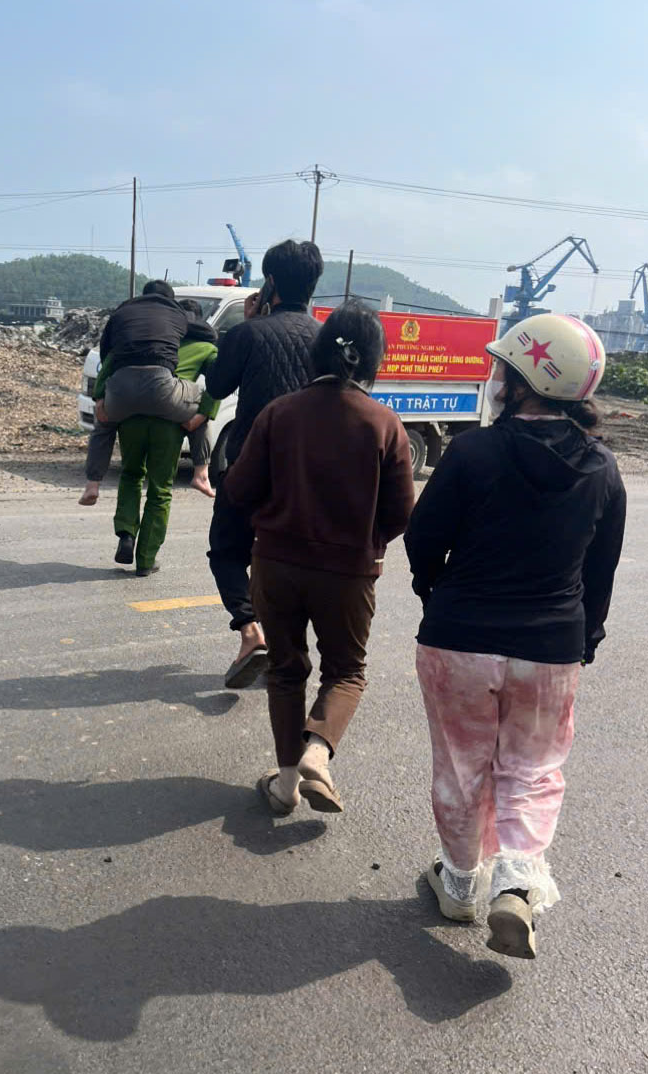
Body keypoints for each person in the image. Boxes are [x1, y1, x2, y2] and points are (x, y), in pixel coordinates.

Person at [405, 313, 626, 960]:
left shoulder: (473, 451)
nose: (495, 377)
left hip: (459, 638)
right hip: (550, 647)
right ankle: (516, 884)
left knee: (461, 766)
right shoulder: (602, 468)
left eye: (504, 368)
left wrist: (436, 592)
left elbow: (423, 539)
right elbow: (600, 573)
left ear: (526, 380)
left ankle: (457, 885)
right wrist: (584, 640)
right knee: (532, 771)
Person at [224, 302, 414, 814]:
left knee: (286, 671)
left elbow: (238, 490)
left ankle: (285, 785)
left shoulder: (278, 412)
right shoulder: (385, 423)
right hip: (349, 573)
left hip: (276, 564)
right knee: (346, 671)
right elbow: (401, 513)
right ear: (373, 359)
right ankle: (318, 751)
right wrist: (366, 544)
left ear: (319, 351)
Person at [204, 239, 324, 689]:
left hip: (250, 466)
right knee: (288, 559)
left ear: (270, 282)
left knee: (227, 550)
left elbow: (216, 387)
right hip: (308, 473)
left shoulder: (248, 333)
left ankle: (250, 631)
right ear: (313, 284)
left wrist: (249, 323)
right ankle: (286, 647)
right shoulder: (326, 338)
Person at [110, 299, 220, 575]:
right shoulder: (206, 347)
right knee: (160, 489)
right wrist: (204, 413)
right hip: (170, 422)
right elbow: (218, 382)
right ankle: (146, 559)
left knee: (131, 474)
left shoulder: (149, 339)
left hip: (132, 417)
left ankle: (126, 533)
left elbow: (111, 363)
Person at [80, 280, 213, 505]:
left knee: (103, 426)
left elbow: (106, 354)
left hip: (121, 388)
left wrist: (101, 398)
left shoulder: (122, 313)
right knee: (202, 403)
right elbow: (207, 333)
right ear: (170, 300)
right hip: (160, 387)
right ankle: (201, 473)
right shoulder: (174, 313)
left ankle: (92, 484)